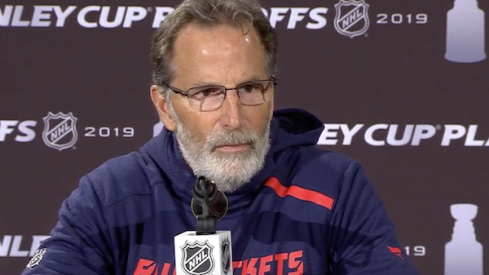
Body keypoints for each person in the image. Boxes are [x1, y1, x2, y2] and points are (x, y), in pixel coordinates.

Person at [20, 0, 421, 274]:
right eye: (206, 93)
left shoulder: (335, 187)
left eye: (249, 88)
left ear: (272, 91)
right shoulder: (110, 196)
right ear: (165, 106)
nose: (233, 118)